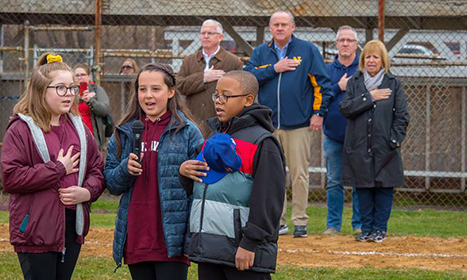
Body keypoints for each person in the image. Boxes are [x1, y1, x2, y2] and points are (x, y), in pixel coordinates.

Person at [0, 53, 105, 280]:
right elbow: (12, 177)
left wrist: (86, 192)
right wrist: (58, 168)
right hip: (36, 228)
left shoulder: (79, 128)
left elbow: (97, 168)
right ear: (41, 91)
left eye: (72, 88)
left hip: (70, 226)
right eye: (60, 88)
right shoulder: (21, 129)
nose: (69, 94)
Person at [179, 70, 285, 280]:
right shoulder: (215, 136)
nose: (218, 101)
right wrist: (185, 174)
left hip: (242, 251)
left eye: (226, 96)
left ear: (248, 100)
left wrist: (250, 243)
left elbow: (268, 199)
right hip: (210, 249)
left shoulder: (263, 142)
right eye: (216, 95)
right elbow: (206, 188)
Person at [103, 63, 203, 279]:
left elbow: (201, 188)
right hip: (137, 238)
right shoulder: (125, 131)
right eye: (142, 89)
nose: (148, 95)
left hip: (171, 241)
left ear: (171, 92)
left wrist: (184, 174)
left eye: (156, 89)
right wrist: (124, 169)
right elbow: (111, 184)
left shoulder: (187, 132)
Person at [244, 10, 333, 238]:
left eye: (284, 24)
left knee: (299, 174)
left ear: (293, 27)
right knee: (273, 175)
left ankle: (300, 221)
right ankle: (278, 221)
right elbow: (249, 77)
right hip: (267, 125)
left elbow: (321, 84)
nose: (280, 28)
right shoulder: (261, 52)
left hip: (298, 124)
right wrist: (275, 68)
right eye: (276, 24)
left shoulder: (307, 50)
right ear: (270, 28)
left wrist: (317, 113)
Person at [339, 40, 409, 243]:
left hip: (384, 146)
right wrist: (369, 97)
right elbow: (346, 109)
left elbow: (402, 115)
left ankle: (380, 229)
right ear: (363, 60)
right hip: (359, 146)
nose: (371, 60)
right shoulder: (354, 83)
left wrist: (393, 140)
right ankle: (366, 228)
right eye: (368, 56)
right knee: (363, 188)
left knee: (383, 188)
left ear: (383, 60)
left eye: (375, 57)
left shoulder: (393, 83)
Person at [322, 26, 362, 235]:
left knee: (358, 181)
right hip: (333, 136)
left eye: (350, 40)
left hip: (359, 137)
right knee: (334, 181)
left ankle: (359, 224)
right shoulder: (327, 70)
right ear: (336, 44)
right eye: (342, 40)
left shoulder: (364, 68)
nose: (345, 44)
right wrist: (339, 86)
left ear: (356, 44)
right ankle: (333, 225)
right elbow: (321, 98)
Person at [176, 19, 243, 136]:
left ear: (220, 37)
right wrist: (203, 78)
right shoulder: (189, 60)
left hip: (220, 125)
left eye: (210, 33)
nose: (206, 36)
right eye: (203, 33)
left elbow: (239, 92)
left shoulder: (233, 62)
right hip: (192, 122)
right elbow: (179, 86)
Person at [74, 63, 111, 150]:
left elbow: (105, 109)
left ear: (89, 76)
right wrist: (77, 99)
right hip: (74, 136)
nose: (80, 78)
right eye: (77, 75)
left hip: (92, 137)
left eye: (83, 75)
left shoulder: (97, 90)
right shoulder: (70, 92)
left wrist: (90, 101)